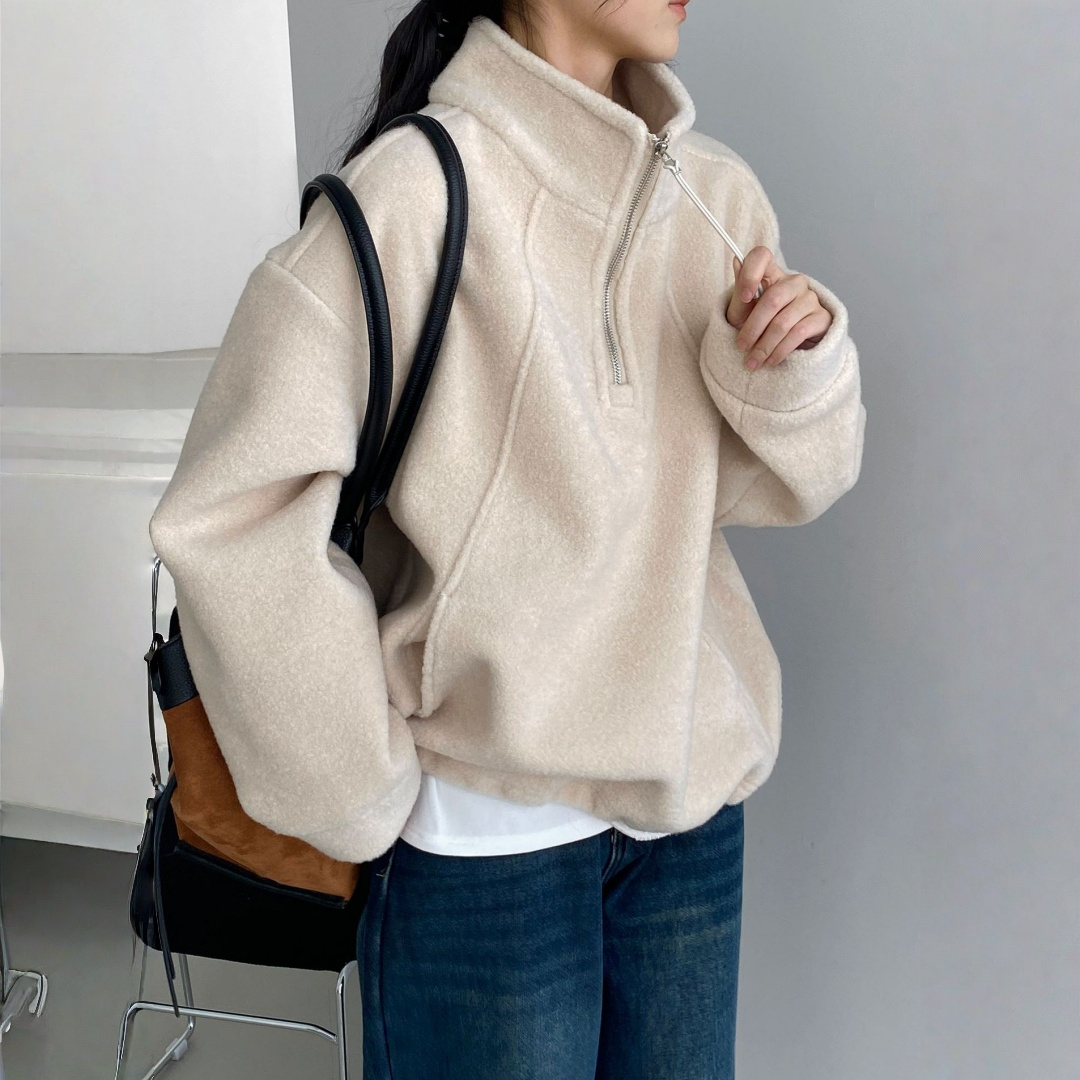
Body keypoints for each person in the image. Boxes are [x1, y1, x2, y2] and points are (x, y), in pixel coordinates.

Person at [149, 1, 866, 1076]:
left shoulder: (712, 196)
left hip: (688, 825)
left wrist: (790, 372)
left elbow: (754, 493)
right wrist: (356, 788)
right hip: (485, 853)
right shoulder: (411, 195)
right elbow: (231, 511)